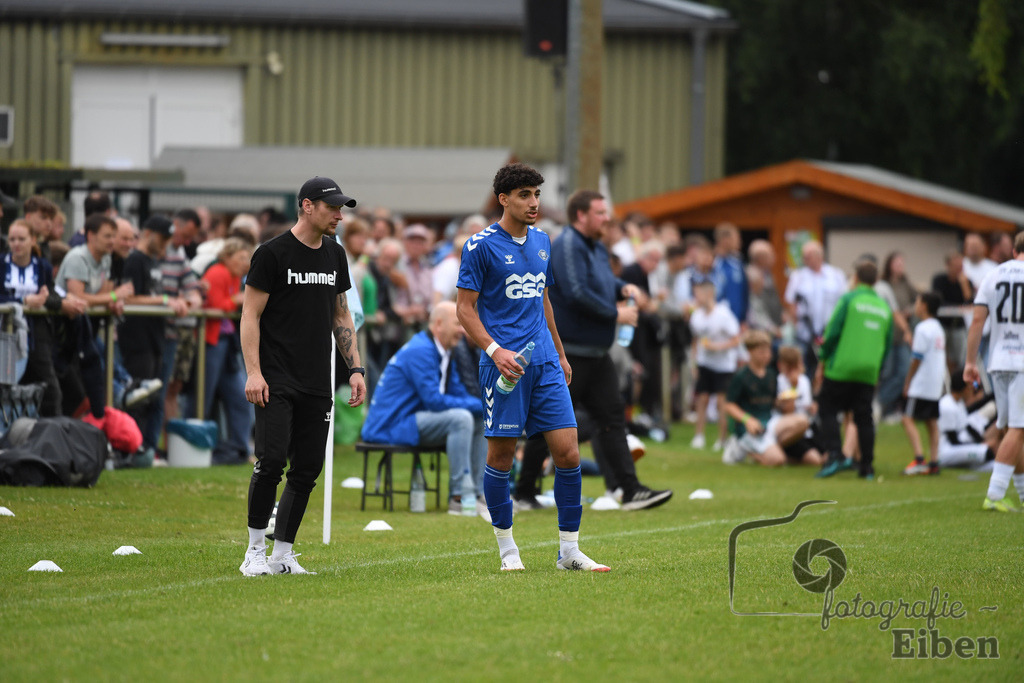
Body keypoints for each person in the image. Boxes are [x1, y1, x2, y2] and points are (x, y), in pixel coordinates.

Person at [455, 162, 609, 572]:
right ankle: (508, 549)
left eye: (537, 195)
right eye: (525, 195)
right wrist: (494, 351)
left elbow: (542, 299)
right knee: (502, 457)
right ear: (503, 199)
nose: (534, 202)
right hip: (505, 367)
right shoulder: (479, 246)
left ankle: (570, 552)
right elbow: (464, 310)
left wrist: (558, 352)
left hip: (545, 363)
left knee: (569, 454)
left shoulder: (543, 241)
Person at [514, 189, 672, 511]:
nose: (607, 218)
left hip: (596, 355)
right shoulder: (566, 245)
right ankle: (523, 491)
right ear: (581, 216)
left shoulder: (597, 247)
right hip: (569, 354)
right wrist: (617, 313)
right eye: (600, 213)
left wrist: (622, 287)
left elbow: (602, 281)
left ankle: (629, 490)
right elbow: (575, 292)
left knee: (612, 418)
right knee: (549, 423)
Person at [239, 176, 365, 576]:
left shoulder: (334, 254)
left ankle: (282, 556)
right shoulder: (272, 254)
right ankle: (254, 551)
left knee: (307, 469)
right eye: (333, 208)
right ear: (307, 206)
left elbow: (341, 313)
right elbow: (250, 315)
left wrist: (356, 367)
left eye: (342, 208)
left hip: (317, 381)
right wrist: (254, 373)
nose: (339, 216)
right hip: (275, 379)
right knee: (271, 461)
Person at [360, 301, 489, 517]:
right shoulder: (421, 350)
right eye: (457, 324)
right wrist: (482, 405)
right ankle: (459, 496)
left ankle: (478, 494)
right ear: (438, 324)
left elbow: (456, 392)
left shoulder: (446, 351)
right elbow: (434, 401)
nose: (462, 330)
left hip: (413, 420)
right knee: (462, 418)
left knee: (479, 419)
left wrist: (483, 408)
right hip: (390, 425)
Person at [814, 259, 892, 479]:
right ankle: (866, 466)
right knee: (863, 417)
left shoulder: (849, 299)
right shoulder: (884, 307)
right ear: (876, 281)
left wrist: (823, 358)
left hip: (843, 367)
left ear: (855, 278)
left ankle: (836, 455)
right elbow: (887, 344)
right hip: (868, 370)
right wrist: (877, 370)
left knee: (827, 409)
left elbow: (832, 332)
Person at [964, 231, 1024, 512]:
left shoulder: (993, 274)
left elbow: (977, 321)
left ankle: (1022, 495)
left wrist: (969, 362)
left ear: (1014, 250)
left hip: (998, 361)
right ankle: (995, 493)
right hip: (1022, 362)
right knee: (1018, 428)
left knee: (1012, 428)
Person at [119, 215, 190, 451]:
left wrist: (172, 302)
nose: (165, 244)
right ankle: (131, 448)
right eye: (162, 238)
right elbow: (128, 296)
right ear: (148, 233)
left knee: (155, 399)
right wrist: (164, 300)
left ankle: (148, 449)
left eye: (169, 239)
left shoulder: (154, 261)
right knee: (138, 398)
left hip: (156, 338)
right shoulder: (135, 260)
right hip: (138, 340)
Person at [53, 213, 133, 419]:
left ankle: (126, 386)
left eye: (114, 236)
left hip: (84, 328)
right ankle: (122, 391)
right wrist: (115, 295)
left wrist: (113, 301)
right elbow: (78, 297)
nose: (112, 241)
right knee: (74, 393)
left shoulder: (106, 258)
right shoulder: (77, 258)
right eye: (107, 236)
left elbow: (102, 295)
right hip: (61, 334)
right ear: (90, 235)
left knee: (100, 362)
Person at [722, 331, 818, 466]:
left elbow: (774, 403)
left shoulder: (771, 375)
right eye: (762, 352)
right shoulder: (741, 376)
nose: (766, 355)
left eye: (768, 351)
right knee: (778, 461)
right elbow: (729, 405)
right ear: (750, 351)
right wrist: (747, 419)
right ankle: (741, 447)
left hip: (770, 422)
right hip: (750, 427)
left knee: (803, 421)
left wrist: (788, 396)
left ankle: (767, 450)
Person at [201, 238, 255, 465]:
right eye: (242, 258)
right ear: (228, 256)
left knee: (241, 397)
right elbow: (214, 305)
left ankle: (241, 449)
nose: (246, 263)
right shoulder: (218, 272)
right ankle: (197, 448)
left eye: (248, 259)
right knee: (202, 397)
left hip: (226, 344)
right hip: (212, 342)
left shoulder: (233, 277)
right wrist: (237, 300)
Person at [689, 278, 741, 451]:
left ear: (709, 294)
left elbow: (736, 339)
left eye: (698, 293)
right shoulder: (696, 316)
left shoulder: (724, 315)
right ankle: (699, 436)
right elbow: (695, 340)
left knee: (721, 402)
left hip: (724, 365)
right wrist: (694, 362)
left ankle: (722, 439)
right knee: (702, 399)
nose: (696, 297)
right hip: (705, 363)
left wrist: (717, 347)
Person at [784, 240, 847, 380]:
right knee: (803, 370)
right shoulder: (798, 276)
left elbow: (843, 303)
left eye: (807, 256)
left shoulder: (836, 275)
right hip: (804, 333)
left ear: (819, 256)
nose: (804, 260)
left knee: (826, 369)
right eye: (803, 257)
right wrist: (795, 324)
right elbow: (791, 303)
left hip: (829, 332)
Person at [900, 292, 946, 475]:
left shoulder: (922, 328)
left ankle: (919, 459)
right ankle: (934, 462)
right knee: (931, 422)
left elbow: (917, 358)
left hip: (921, 383)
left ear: (924, 306)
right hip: (934, 384)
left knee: (906, 418)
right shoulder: (938, 328)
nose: (916, 306)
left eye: (917, 302)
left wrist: (908, 382)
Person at [935, 374, 998, 471]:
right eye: (970, 387)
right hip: (947, 451)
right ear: (964, 388)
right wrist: (978, 446)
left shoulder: (958, 402)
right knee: (987, 452)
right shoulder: (946, 405)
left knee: (993, 461)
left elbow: (967, 427)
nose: (972, 390)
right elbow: (953, 440)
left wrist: (981, 441)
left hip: (959, 445)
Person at [932, 250, 973, 372]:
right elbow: (938, 301)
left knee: (959, 355)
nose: (958, 270)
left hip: (958, 324)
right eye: (955, 266)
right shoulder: (939, 280)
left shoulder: (966, 281)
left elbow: (969, 303)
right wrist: (957, 308)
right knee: (941, 354)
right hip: (943, 323)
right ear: (948, 266)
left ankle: (956, 375)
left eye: (960, 266)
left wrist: (964, 285)